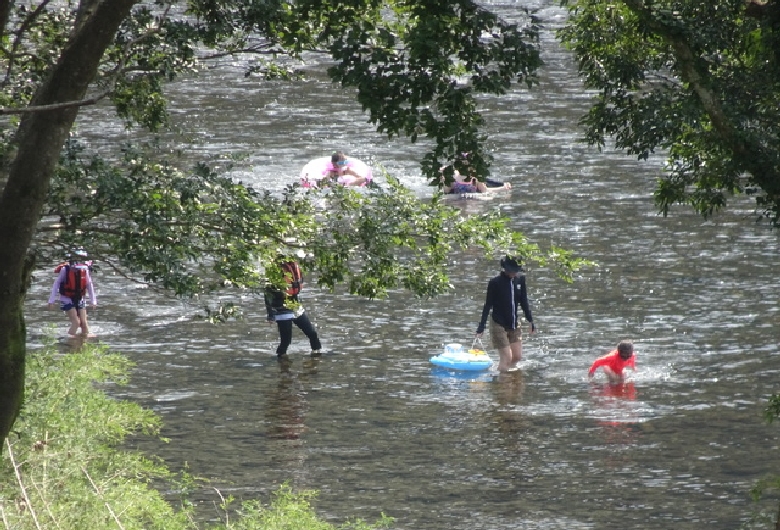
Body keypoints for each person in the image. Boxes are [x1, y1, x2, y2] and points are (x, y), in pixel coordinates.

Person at [475, 255, 535, 372]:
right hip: (498, 323)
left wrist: (530, 321)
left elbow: (524, 302)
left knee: (517, 357)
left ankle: (508, 381)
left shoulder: (520, 280)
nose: (514, 273)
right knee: (507, 358)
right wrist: (481, 327)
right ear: (505, 269)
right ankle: (503, 386)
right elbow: (487, 305)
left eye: (516, 271)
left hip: (513, 323)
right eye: (512, 271)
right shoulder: (495, 283)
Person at [265, 258, 322, 360]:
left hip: (295, 306)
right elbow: (267, 294)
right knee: (286, 341)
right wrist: (270, 314)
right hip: (281, 309)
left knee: (312, 333)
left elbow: (297, 284)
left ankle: (316, 357)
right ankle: (282, 362)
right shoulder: (273, 272)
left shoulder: (292, 267)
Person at [48, 248, 97, 337]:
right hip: (67, 299)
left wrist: (93, 301)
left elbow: (89, 284)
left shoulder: (84, 270)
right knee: (76, 323)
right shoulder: (65, 270)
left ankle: (83, 345)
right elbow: (56, 284)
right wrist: (51, 300)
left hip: (80, 298)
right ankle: (69, 342)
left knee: (84, 324)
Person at [441, 168, 511, 194]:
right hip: (456, 195)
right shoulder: (453, 176)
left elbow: (485, 190)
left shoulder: (476, 176)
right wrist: (444, 179)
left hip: (478, 187)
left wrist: (502, 188)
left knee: (488, 182)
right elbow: (446, 191)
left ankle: (502, 184)